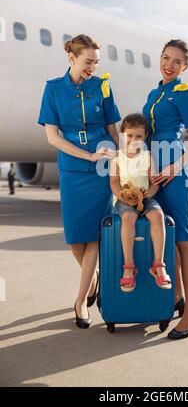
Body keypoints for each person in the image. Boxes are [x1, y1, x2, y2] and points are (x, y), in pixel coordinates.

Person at [37, 34, 121, 329]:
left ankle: (80, 301)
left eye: (96, 63)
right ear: (71, 58)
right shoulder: (53, 89)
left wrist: (119, 156)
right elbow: (52, 136)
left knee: (95, 236)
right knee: (75, 239)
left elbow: (112, 127)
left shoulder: (103, 86)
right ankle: (94, 278)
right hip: (73, 169)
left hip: (102, 167)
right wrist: (85, 156)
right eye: (88, 62)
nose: (92, 68)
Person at [142, 39, 188, 339]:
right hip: (154, 168)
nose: (169, 64)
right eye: (165, 58)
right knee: (164, 234)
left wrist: (175, 167)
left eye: (176, 62)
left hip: (174, 170)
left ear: (185, 67)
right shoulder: (155, 92)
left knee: (182, 237)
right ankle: (177, 298)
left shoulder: (183, 92)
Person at [110, 113, 172, 293]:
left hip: (145, 198)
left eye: (138, 136)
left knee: (158, 215)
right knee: (128, 217)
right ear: (123, 135)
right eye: (130, 135)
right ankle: (129, 266)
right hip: (124, 199)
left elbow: (154, 183)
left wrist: (149, 193)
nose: (134, 139)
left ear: (145, 136)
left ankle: (158, 265)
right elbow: (114, 182)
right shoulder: (117, 157)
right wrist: (121, 196)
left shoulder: (147, 156)